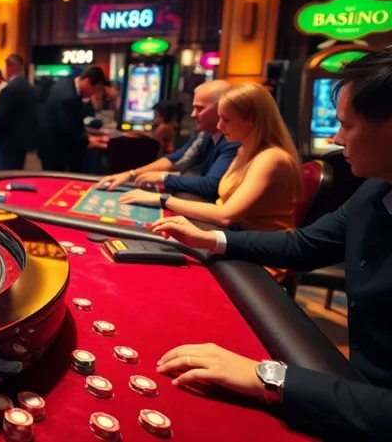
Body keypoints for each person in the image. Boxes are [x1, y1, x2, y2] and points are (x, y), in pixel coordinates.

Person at [148, 52, 392, 441]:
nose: (335, 138)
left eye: (346, 125)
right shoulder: (377, 189)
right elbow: (304, 244)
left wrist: (270, 376)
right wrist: (211, 239)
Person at [120, 83, 300, 232]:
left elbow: (225, 215)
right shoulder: (244, 150)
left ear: (253, 120)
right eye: (219, 118)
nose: (220, 126)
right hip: (234, 240)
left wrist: (163, 199)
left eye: (226, 120)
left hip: (257, 261)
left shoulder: (270, 158)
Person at [98, 80, 239, 201]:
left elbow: (210, 185)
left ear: (222, 108)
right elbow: (174, 159)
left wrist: (164, 178)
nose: (193, 114)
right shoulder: (205, 134)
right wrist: (130, 174)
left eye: (199, 108)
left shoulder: (233, 141)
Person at [37, 66, 108, 172]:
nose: (93, 94)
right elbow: (70, 132)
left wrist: (95, 134)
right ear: (87, 81)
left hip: (51, 147)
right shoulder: (68, 97)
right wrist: (94, 141)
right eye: (95, 89)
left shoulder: (66, 83)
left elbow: (74, 125)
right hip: (57, 153)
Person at [0, 54, 38, 170]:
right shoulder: (30, 88)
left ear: (9, 67)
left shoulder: (8, 90)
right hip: (23, 141)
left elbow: (1, 118)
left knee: (3, 175)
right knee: (16, 173)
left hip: (7, 141)